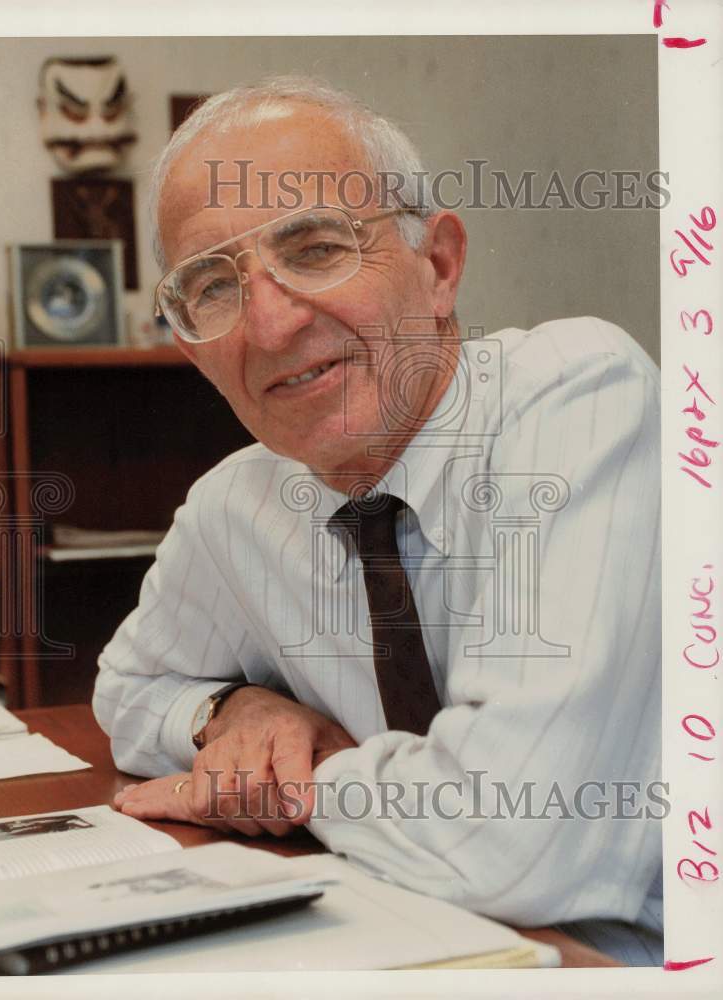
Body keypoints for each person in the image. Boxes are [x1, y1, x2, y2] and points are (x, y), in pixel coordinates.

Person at [93, 76, 663, 963]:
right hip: (397, 932)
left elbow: (514, 839)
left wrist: (303, 778)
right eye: (211, 286)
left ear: (438, 266)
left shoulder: (579, 398)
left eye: (316, 246)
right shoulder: (237, 501)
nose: (271, 323)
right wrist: (231, 714)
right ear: (190, 348)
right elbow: (127, 691)